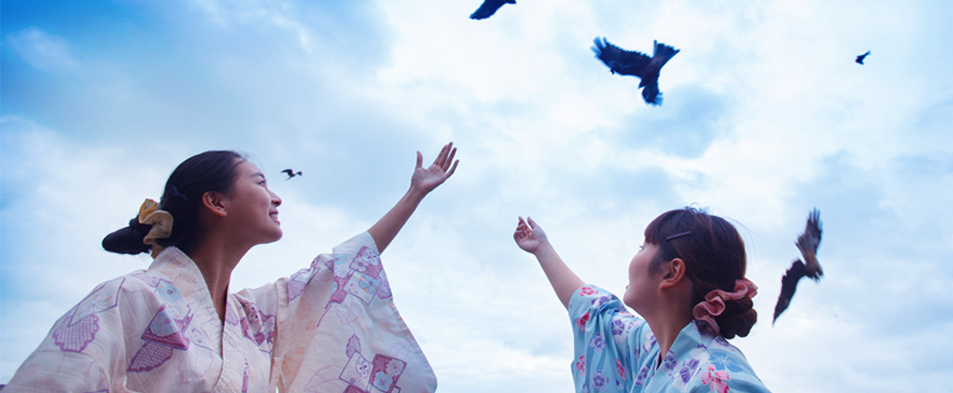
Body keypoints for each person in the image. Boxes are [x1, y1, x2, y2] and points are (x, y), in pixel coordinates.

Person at [5, 143, 458, 393]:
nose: (276, 196)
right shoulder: (129, 298)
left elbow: (335, 274)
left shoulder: (252, 320)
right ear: (216, 202)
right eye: (260, 183)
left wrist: (414, 195)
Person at [513, 207, 770, 393]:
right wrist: (542, 248)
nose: (634, 257)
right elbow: (594, 311)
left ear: (671, 272)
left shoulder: (718, 378)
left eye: (643, 247)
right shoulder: (650, 349)